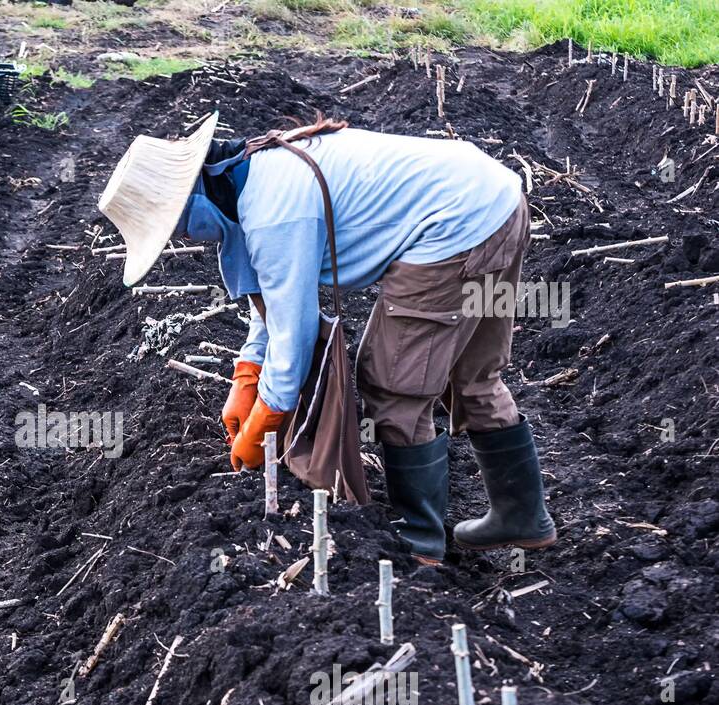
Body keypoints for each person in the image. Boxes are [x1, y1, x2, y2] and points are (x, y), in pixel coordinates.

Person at [97, 111, 556, 564]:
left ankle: (419, 543)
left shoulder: (273, 216)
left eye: (177, 227)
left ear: (189, 199)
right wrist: (247, 372)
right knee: (472, 375)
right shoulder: (253, 167)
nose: (184, 237)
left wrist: (267, 419)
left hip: (452, 231)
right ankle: (521, 518)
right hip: (495, 202)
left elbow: (294, 330)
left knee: (393, 384)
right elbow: (276, 294)